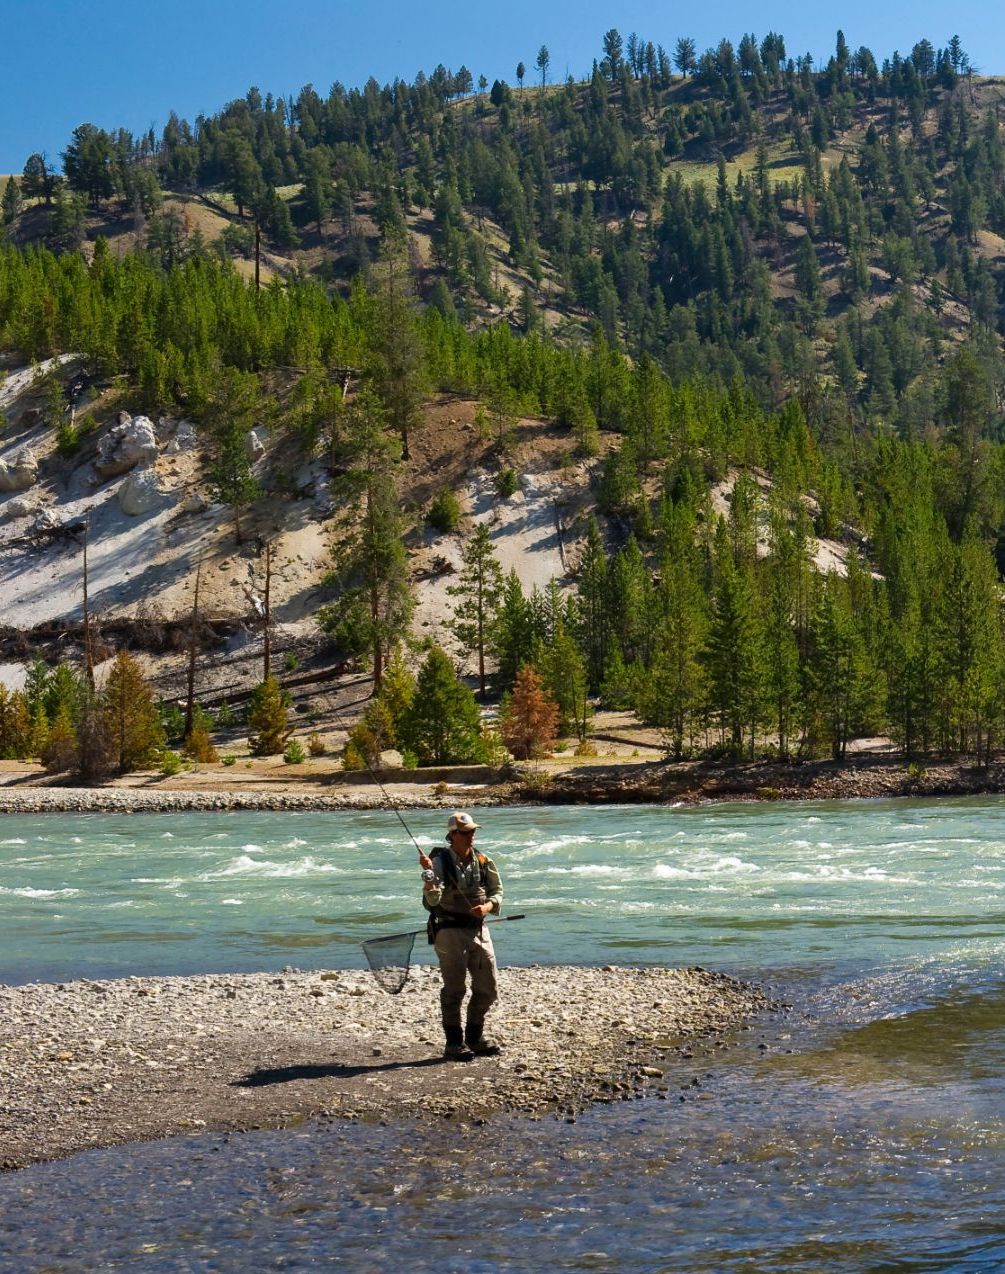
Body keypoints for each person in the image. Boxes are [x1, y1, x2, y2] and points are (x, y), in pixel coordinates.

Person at [420, 811, 503, 1060]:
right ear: (453, 835)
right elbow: (431, 900)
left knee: (488, 988)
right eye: (466, 832)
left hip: (479, 930)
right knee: (455, 989)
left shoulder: (484, 859)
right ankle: (454, 1043)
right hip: (449, 932)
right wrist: (428, 877)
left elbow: (497, 891)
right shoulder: (439, 863)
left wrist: (488, 907)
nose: (471, 836)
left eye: (473, 831)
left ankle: (475, 1037)